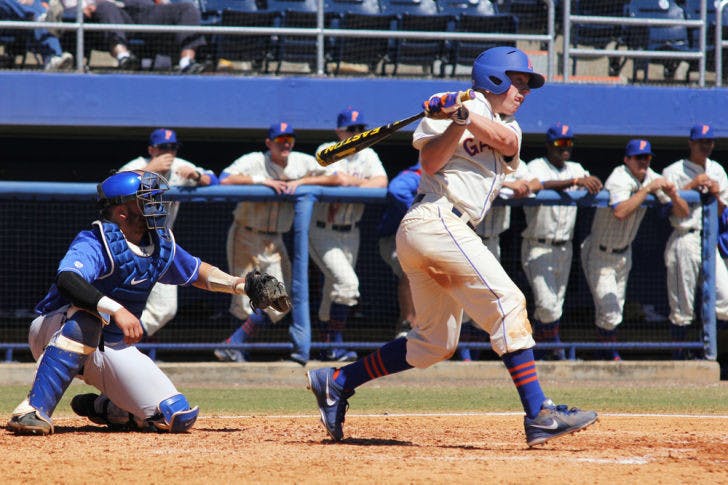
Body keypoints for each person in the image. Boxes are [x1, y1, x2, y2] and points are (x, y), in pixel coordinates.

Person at [305, 46, 598, 447]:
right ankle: (538, 413)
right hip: (436, 219)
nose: (525, 90)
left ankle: (338, 380)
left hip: (443, 230)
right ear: (495, 76)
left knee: (434, 343)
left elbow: (503, 142)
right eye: (519, 80)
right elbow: (429, 164)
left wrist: (462, 115)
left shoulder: (506, 125)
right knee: (508, 302)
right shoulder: (448, 109)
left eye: (528, 83)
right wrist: (454, 121)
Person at [6, 171, 287, 435]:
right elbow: (67, 279)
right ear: (122, 211)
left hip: (111, 346)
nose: (156, 205)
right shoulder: (96, 240)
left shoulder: (157, 243)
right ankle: (32, 411)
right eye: (146, 201)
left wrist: (242, 284)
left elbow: (197, 271)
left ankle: (106, 408)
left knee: (174, 416)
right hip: (54, 330)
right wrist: (115, 309)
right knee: (88, 319)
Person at [214, 122, 331, 365]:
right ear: (270, 143)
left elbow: (336, 176)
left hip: (275, 239)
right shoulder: (254, 160)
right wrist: (262, 181)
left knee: (281, 299)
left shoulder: (302, 161)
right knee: (244, 295)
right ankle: (236, 350)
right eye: (280, 140)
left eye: (289, 139)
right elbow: (224, 179)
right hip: (247, 235)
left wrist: (302, 182)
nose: (285, 144)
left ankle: (233, 344)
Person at [580, 139, 688, 361]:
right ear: (627, 159)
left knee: (613, 311)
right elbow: (620, 212)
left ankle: (604, 355)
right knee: (610, 311)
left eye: (647, 157)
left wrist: (673, 194)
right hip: (600, 253)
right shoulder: (619, 176)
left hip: (623, 254)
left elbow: (680, 212)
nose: (644, 162)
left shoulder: (651, 176)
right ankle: (609, 354)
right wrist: (648, 189)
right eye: (639, 157)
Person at [118, 128, 219, 337]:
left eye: (172, 148)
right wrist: (147, 169)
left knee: (165, 309)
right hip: (126, 243)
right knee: (120, 300)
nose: (169, 153)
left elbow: (215, 180)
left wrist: (198, 176)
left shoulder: (180, 167)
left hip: (160, 244)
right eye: (163, 148)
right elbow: (111, 186)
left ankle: (120, 343)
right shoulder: (137, 165)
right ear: (151, 149)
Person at [310, 108, 388, 361]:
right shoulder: (327, 149)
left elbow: (382, 182)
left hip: (350, 231)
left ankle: (325, 346)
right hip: (322, 229)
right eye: (351, 130)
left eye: (360, 130)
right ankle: (335, 344)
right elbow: (334, 179)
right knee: (348, 284)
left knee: (333, 289)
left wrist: (352, 183)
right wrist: (351, 182)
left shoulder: (369, 154)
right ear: (339, 131)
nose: (357, 134)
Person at [521, 123, 603, 360]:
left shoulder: (575, 167)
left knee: (555, 305)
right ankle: (554, 348)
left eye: (568, 143)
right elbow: (538, 185)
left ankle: (542, 352)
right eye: (560, 143)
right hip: (538, 244)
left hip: (564, 246)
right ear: (549, 145)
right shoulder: (536, 165)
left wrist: (592, 180)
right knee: (546, 305)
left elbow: (591, 182)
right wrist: (574, 182)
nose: (564, 148)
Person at [459, 162, 542, 361]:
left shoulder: (513, 162)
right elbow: (475, 181)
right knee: (463, 304)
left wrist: (524, 186)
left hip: (492, 241)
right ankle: (464, 358)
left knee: (489, 302)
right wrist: (508, 184)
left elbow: (537, 183)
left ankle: (475, 358)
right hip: (464, 239)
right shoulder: (474, 157)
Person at [662, 124, 728, 358]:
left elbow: (722, 214)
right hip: (685, 238)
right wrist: (690, 186)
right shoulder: (673, 171)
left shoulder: (718, 170)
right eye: (701, 141)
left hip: (709, 240)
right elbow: (667, 211)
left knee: (725, 301)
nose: (705, 145)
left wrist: (717, 194)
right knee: (682, 307)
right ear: (691, 143)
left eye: (709, 141)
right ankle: (679, 357)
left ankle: (703, 350)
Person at [63, 0, 208, 73]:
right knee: (106, 6)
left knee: (187, 8)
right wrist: (84, 6)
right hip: (116, 11)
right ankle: (124, 58)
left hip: (147, 12)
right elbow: (72, 5)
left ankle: (186, 63)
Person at [376, 163, 421, 339]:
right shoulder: (418, 173)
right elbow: (397, 189)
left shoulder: (454, 175)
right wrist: (421, 213)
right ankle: (407, 324)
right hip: (394, 237)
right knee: (411, 270)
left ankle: (414, 327)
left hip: (424, 238)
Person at [0, 0, 73, 70]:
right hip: (4, 25)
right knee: (43, 23)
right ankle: (40, 18)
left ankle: (53, 60)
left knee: (37, 6)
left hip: (21, 24)